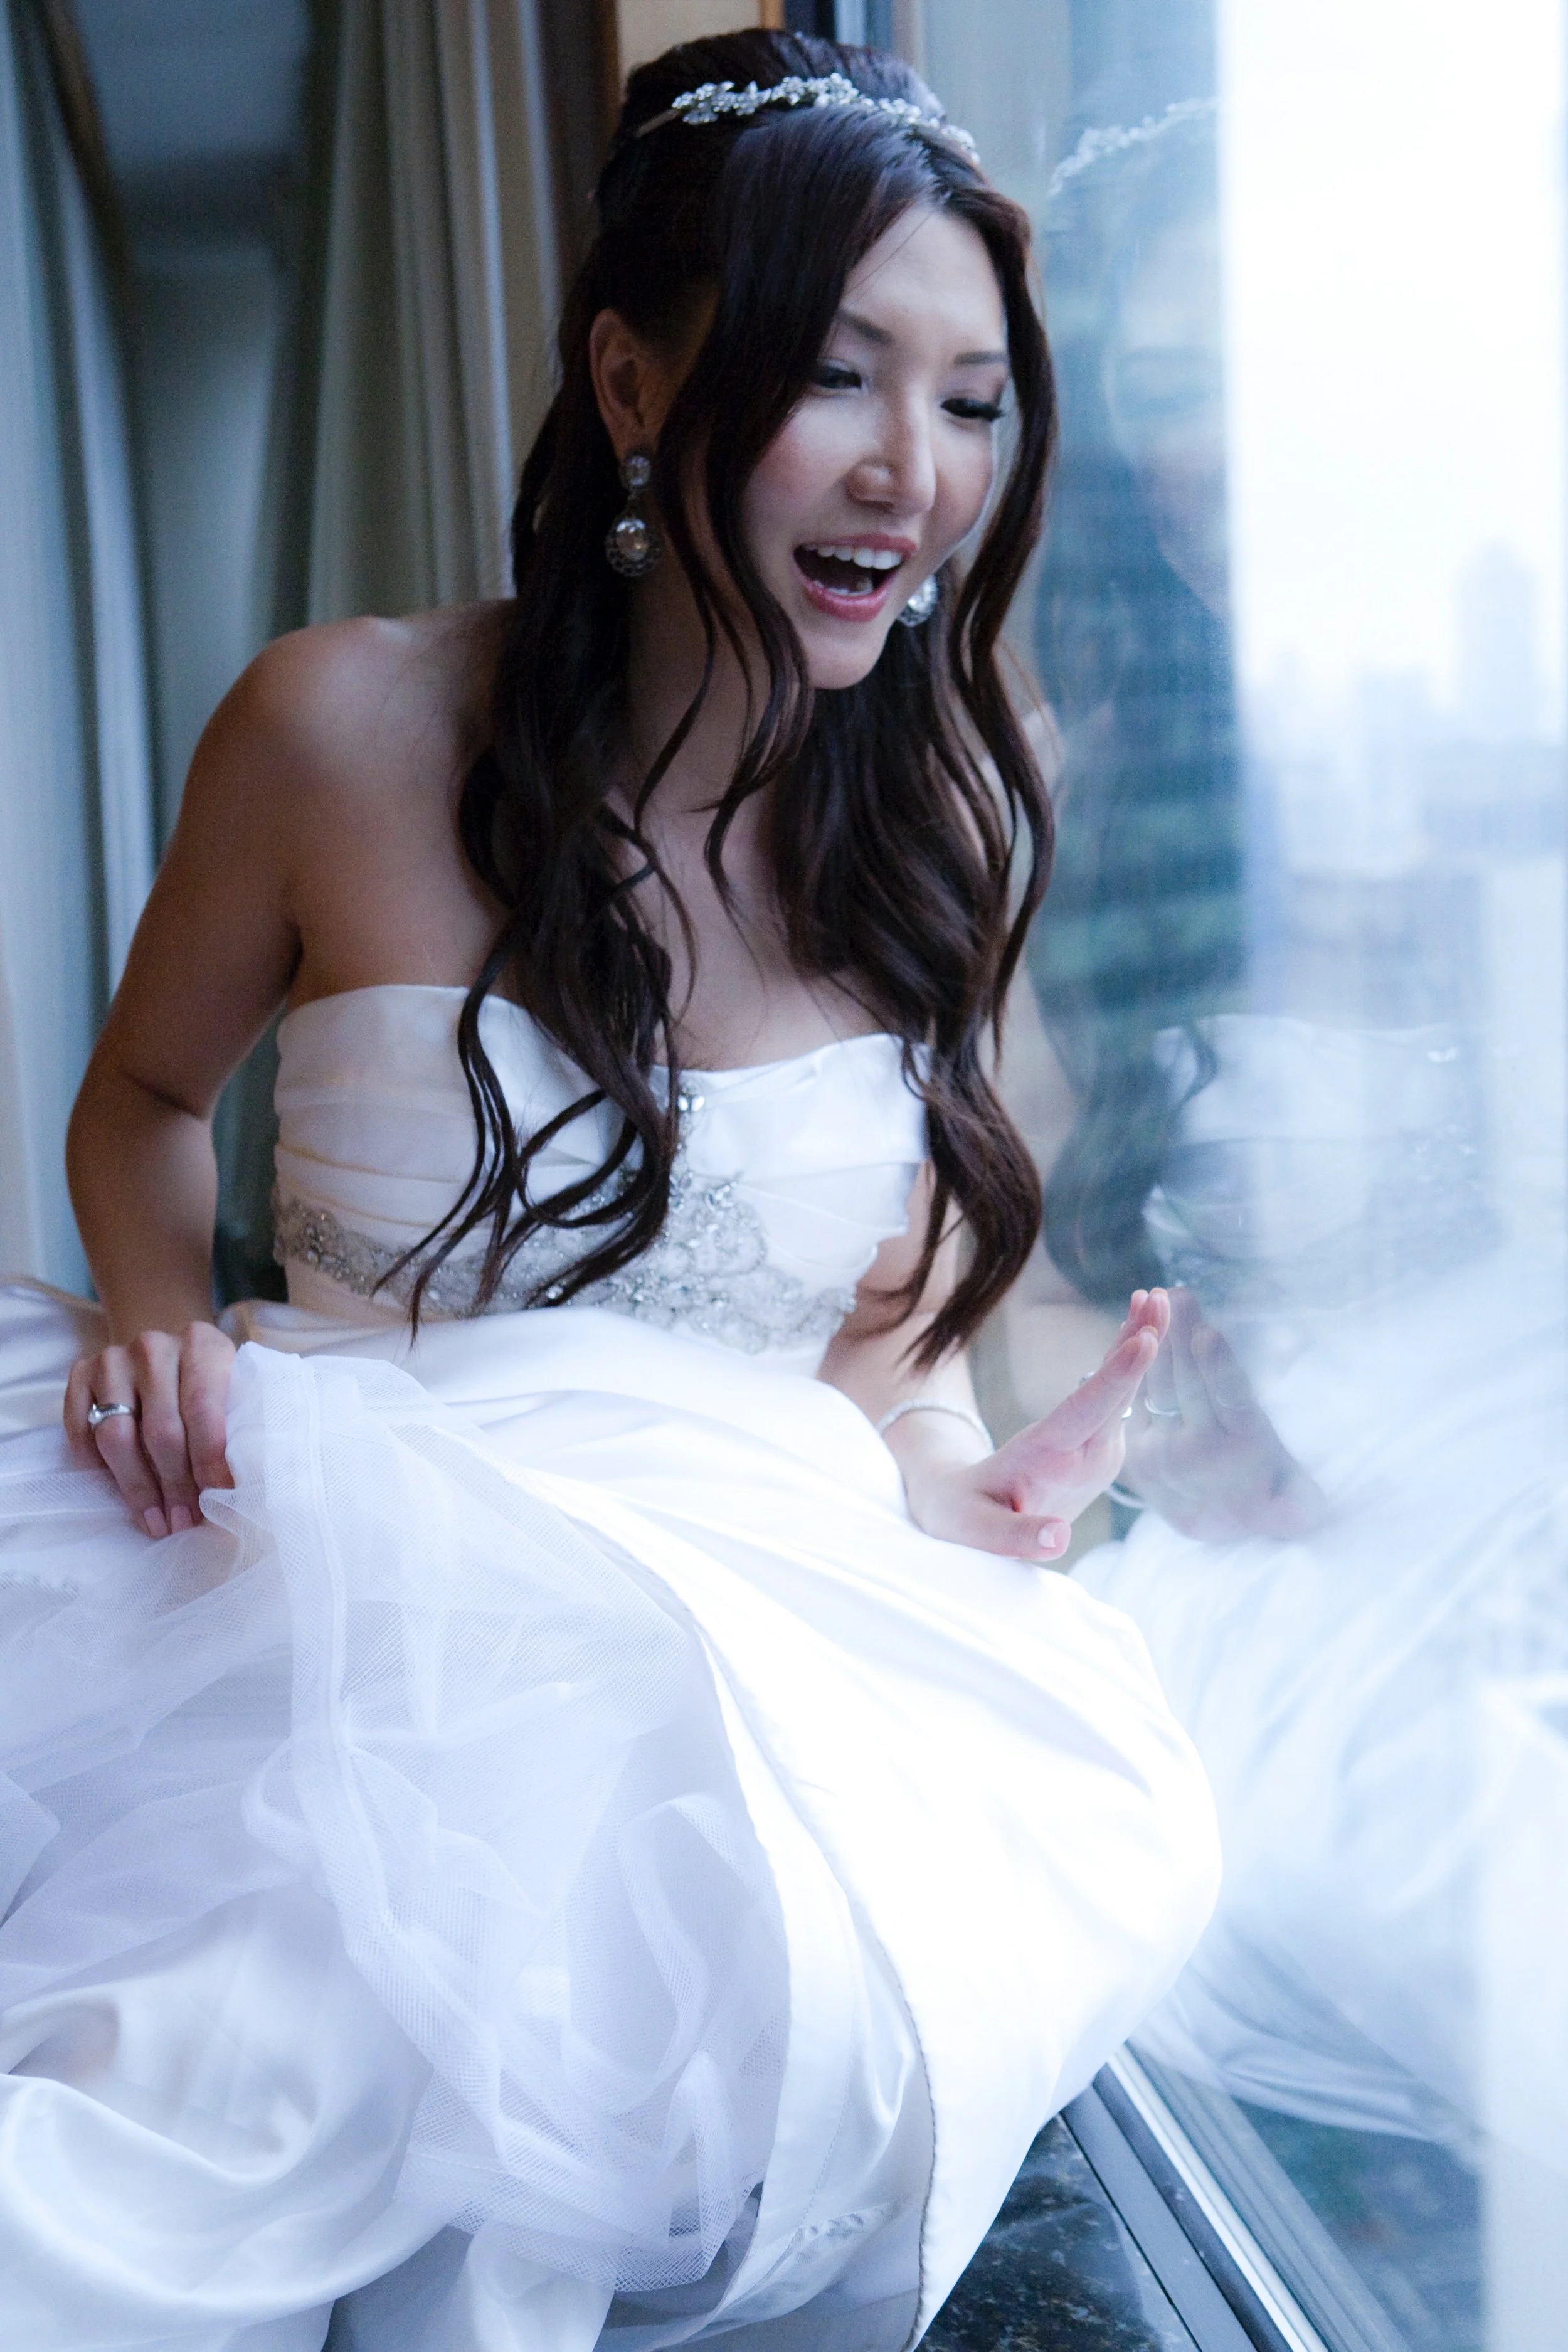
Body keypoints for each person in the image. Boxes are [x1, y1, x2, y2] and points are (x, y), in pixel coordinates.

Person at [0, 33, 1219, 2352]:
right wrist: (154, 1304)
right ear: (634, 381)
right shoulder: (332, 725)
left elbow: (883, 1362)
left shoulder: (953, 805)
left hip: (715, 1633)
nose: (918, 471)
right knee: (197, 2095)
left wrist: (967, 1490)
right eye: (840, 377)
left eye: (973, 400)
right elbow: (145, 1099)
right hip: (315, 1568)